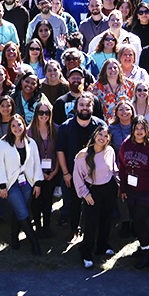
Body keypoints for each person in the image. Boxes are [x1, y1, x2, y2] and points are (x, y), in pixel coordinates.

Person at [118, 117, 149, 268]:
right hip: (131, 190)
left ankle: (147, 253)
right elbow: (122, 168)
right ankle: (144, 247)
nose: (139, 132)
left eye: (142, 128)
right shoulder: (126, 144)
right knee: (135, 221)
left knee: (139, 222)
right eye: (136, 128)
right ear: (132, 130)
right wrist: (123, 188)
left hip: (147, 193)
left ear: (147, 129)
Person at [0, 112, 43, 253]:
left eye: (19, 124)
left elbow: (36, 163)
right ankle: (34, 242)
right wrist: (2, 186)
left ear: (24, 125)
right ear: (10, 128)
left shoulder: (31, 143)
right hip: (10, 183)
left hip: (27, 181)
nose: (16, 128)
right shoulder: (2, 144)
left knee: (18, 209)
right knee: (22, 210)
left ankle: (14, 237)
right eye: (13, 126)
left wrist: (38, 183)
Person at [56, 92, 106, 238]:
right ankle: (74, 228)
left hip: (95, 172)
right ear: (76, 107)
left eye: (88, 105)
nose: (85, 108)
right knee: (73, 202)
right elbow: (60, 151)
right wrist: (65, 173)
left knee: (94, 203)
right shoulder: (66, 127)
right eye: (81, 105)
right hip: (72, 172)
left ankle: (92, 230)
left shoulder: (100, 126)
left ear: (93, 107)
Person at [71, 124, 117, 268]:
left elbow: (113, 169)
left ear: (109, 139)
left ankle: (102, 245)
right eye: (100, 134)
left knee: (106, 219)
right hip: (92, 190)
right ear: (95, 135)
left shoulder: (110, 151)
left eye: (106, 136)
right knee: (91, 223)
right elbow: (77, 177)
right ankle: (86, 252)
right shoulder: (83, 155)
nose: (102, 138)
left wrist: (120, 183)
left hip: (109, 189)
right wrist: (85, 194)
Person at [27, 101, 59, 238]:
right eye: (41, 112)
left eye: (47, 112)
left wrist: (55, 171)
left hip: (51, 172)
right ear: (36, 113)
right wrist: (39, 174)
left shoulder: (56, 129)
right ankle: (38, 228)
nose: (44, 115)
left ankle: (47, 227)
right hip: (35, 173)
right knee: (36, 201)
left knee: (48, 201)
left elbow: (59, 152)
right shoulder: (29, 131)